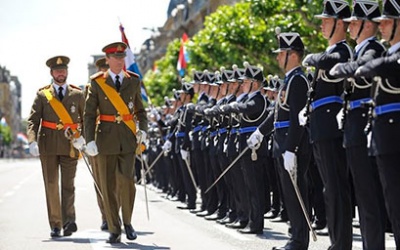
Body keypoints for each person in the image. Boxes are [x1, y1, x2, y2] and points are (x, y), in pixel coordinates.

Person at [329, 1, 387, 249]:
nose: (349, 27)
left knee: (369, 199)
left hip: (363, 127)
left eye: (354, 22)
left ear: (366, 24)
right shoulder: (359, 50)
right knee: (362, 199)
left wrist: (341, 67)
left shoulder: (372, 48)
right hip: (353, 128)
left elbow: (360, 71)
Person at [248, 31, 312, 249]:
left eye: (281, 53)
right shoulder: (289, 81)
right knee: (288, 195)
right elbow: (276, 113)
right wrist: (260, 132)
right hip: (281, 144)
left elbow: (297, 118)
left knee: (296, 194)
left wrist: (292, 149)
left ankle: (299, 240)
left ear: (293, 55)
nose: (277, 58)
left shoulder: (299, 81)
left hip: (291, 145)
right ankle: (295, 236)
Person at [84, 42, 148, 243]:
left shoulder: (134, 81)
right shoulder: (97, 83)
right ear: (108, 60)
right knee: (107, 184)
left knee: (128, 182)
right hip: (105, 139)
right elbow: (88, 114)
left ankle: (127, 222)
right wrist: (90, 140)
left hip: (128, 140)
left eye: (122, 58)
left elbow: (140, 111)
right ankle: (114, 227)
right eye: (116, 58)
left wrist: (143, 129)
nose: (120, 61)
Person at [301, 0, 353, 249]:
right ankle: (336, 242)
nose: (322, 24)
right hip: (320, 129)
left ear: (340, 24)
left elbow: (328, 61)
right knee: (328, 190)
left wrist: (312, 56)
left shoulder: (342, 51)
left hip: (331, 129)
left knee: (336, 189)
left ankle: (341, 243)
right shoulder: (331, 52)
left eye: (326, 20)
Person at [354, 0, 400, 247]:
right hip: (384, 137)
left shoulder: (392, 57)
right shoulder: (389, 51)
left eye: (388, 22)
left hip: (394, 137)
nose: (381, 27)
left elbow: (387, 67)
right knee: (392, 205)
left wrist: (362, 67)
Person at [27, 55, 85, 238]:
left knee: (69, 185)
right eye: (57, 70)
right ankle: (56, 224)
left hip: (70, 145)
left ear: (67, 72)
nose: (61, 73)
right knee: (51, 185)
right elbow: (33, 120)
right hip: (48, 145)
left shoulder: (77, 94)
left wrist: (83, 138)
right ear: (51, 73)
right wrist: (32, 140)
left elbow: (86, 119)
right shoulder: (43, 95)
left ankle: (69, 221)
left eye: (64, 70)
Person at [85, 57, 109, 231]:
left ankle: (115, 214)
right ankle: (106, 216)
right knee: (100, 181)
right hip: (97, 140)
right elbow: (84, 116)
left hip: (117, 138)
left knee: (118, 180)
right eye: (101, 70)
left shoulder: (121, 86)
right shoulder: (89, 89)